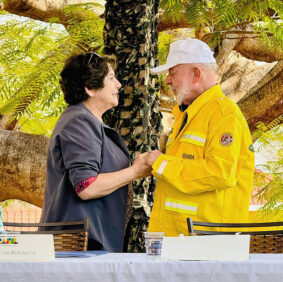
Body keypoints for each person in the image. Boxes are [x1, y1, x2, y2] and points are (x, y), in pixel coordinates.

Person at [40, 53, 152, 251]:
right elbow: (86, 186)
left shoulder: (86, 121)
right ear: (90, 88)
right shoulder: (79, 122)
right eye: (111, 78)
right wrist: (134, 172)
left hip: (88, 243)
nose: (118, 84)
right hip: (80, 246)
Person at [147, 38, 255, 236]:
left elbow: (220, 172)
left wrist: (162, 164)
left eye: (173, 73)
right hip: (184, 238)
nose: (168, 81)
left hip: (206, 243)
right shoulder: (187, 114)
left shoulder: (224, 114)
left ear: (196, 74)